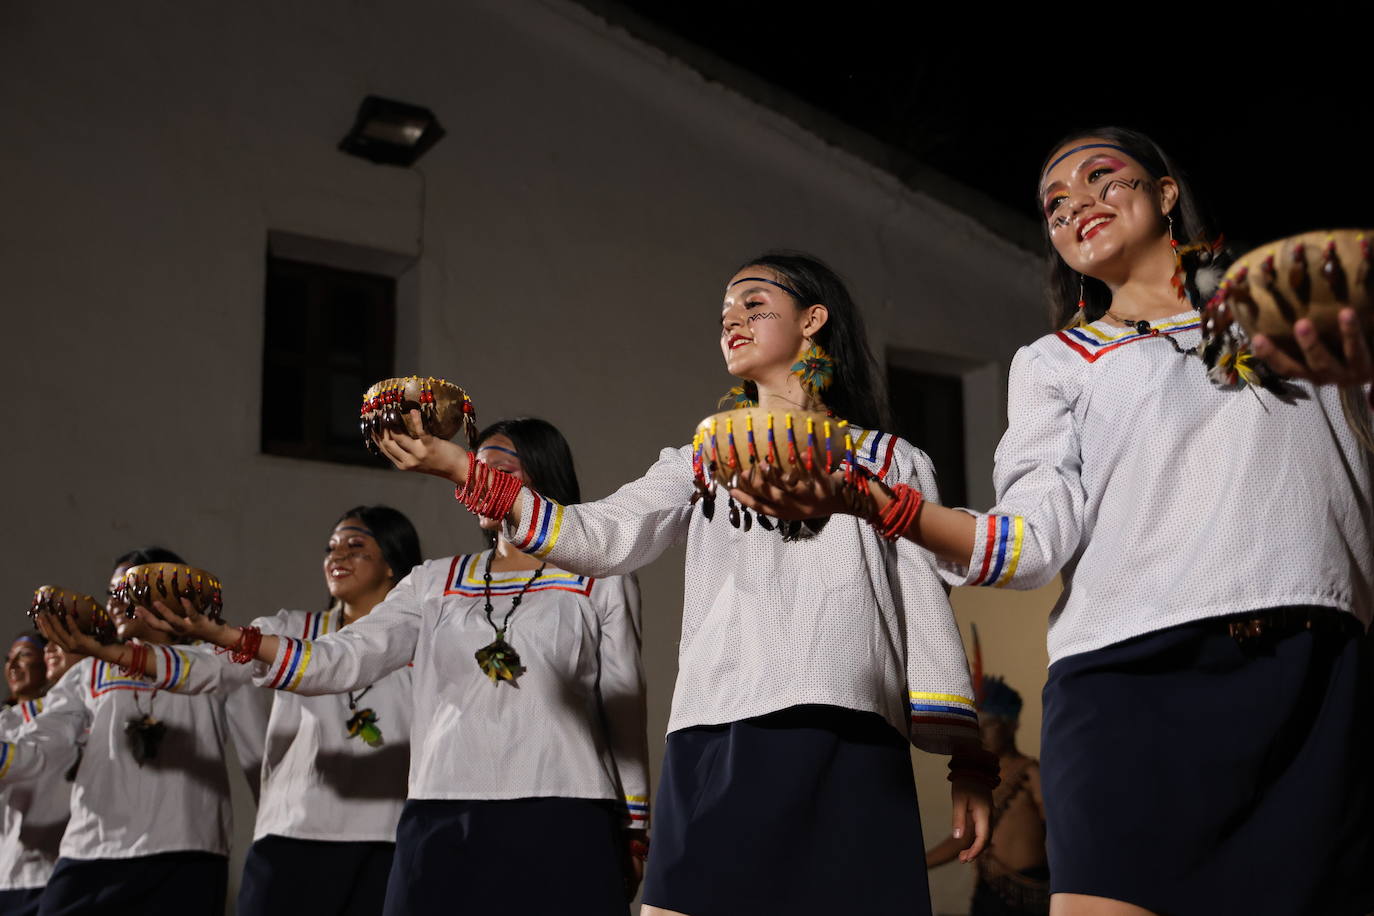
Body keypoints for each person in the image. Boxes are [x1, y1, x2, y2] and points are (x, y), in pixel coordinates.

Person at [731, 131, 1374, 915]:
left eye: (1102, 178)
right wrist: (879, 505)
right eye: (1056, 204)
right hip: (1129, 686)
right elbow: (1031, 542)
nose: (1078, 205)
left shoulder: (1299, 316)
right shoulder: (1055, 363)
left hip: (1313, 675)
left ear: (1167, 193)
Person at [372, 253, 994, 916]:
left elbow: (925, 608)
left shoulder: (889, 459)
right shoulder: (701, 459)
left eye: (754, 304)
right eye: (725, 311)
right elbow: (597, 534)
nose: (732, 320)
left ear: (813, 319)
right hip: (717, 734)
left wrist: (969, 759)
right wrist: (459, 468)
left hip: (848, 731)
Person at [129, 418, 651, 916]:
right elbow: (341, 658)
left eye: (500, 470)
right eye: (477, 467)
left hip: (565, 812)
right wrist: (228, 637)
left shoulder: (599, 577)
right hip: (444, 813)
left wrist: (634, 825)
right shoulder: (434, 583)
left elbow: (624, 708)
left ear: (543, 476)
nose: (480, 482)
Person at [43, 510, 422, 916]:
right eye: (330, 547)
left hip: (389, 838)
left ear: (392, 564)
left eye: (355, 546)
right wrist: (111, 652)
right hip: (293, 836)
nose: (336, 557)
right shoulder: (291, 628)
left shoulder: (419, 641)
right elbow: (213, 664)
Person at [8, 547, 238, 915]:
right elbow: (50, 739)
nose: (113, 602)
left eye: (127, 590)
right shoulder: (90, 671)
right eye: (111, 591)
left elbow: (261, 752)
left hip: (187, 849)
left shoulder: (217, 662)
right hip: (94, 850)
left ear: (170, 592)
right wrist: (10, 757)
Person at [926, 676, 1047, 916]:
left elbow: (1058, 829)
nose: (980, 731)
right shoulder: (977, 781)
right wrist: (917, 864)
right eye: (975, 724)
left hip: (1029, 895)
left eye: (988, 723)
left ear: (1010, 725)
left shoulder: (1030, 772)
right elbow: (963, 837)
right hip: (988, 894)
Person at [0, 634, 75, 916]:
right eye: (9, 659)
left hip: (47, 872)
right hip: (5, 871)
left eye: (24, 656)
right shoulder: (4, 719)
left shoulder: (67, 713)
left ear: (48, 659)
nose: (13, 665)